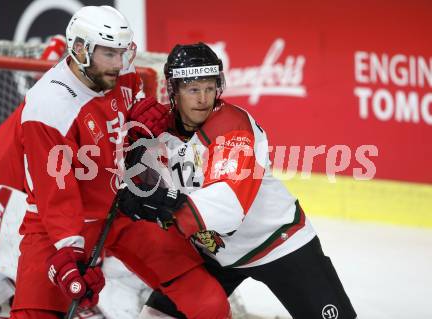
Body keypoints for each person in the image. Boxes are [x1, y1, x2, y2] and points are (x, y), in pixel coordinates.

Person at [9, 7, 230, 319]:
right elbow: (56, 194)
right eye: (109, 54)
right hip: (58, 224)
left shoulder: (120, 73)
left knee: (208, 302)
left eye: (123, 53)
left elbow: (131, 119)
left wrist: (143, 122)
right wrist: (69, 253)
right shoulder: (48, 108)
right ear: (80, 49)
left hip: (122, 206)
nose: (119, 63)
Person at [119, 42, 358, 319]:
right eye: (193, 89)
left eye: (209, 88)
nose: (203, 99)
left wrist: (163, 205)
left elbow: (228, 207)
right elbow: (143, 182)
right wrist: (134, 144)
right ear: (174, 90)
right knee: (156, 316)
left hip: (277, 243)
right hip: (214, 253)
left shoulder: (232, 126)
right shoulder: (161, 130)